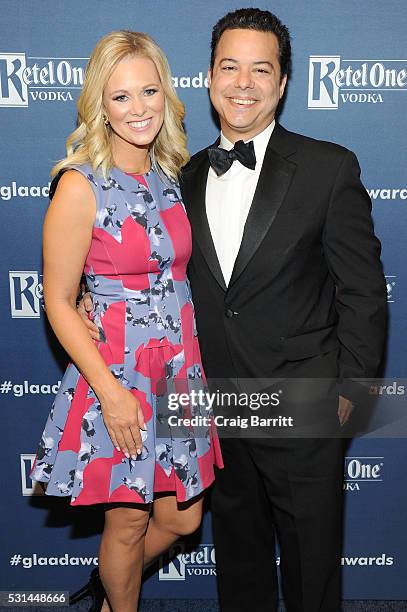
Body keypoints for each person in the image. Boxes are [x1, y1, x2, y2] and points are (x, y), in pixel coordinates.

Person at [79, 9, 387, 612]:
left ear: (282, 82)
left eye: (261, 69)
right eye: (230, 67)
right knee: (240, 564)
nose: (243, 83)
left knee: (311, 568)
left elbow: (364, 291)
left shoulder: (329, 167)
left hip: (301, 403)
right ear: (209, 76)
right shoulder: (179, 177)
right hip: (210, 405)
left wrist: (351, 391)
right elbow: (146, 266)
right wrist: (94, 298)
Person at [29, 30, 223, 612]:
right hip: (121, 377)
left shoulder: (173, 176)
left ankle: (111, 587)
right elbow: (59, 301)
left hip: (180, 374)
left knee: (183, 520)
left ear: (166, 94)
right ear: (100, 105)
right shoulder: (79, 185)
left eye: (149, 91)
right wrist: (110, 394)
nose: (138, 108)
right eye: (121, 97)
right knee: (129, 524)